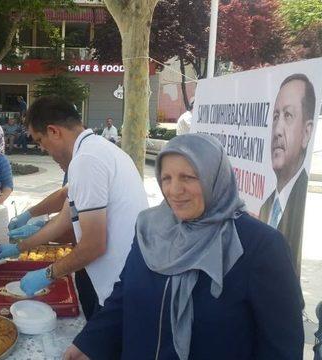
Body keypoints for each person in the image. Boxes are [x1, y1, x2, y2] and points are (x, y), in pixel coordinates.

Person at [64, 133, 304, 360]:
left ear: (214, 177)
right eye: (166, 178)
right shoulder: (150, 228)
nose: (174, 191)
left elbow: (281, 347)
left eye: (188, 177)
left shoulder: (259, 246)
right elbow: (125, 295)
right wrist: (89, 343)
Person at [0, 96, 149, 319]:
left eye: (40, 141)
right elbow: (63, 218)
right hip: (125, 282)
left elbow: (94, 244)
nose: (44, 150)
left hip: (121, 288)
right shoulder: (94, 149)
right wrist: (20, 247)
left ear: (54, 131)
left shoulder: (87, 159)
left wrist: (48, 273)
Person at [259, 74, 316, 278]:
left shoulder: (305, 205)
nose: (277, 130)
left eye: (288, 116)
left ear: (307, 133)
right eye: (275, 117)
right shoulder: (266, 206)